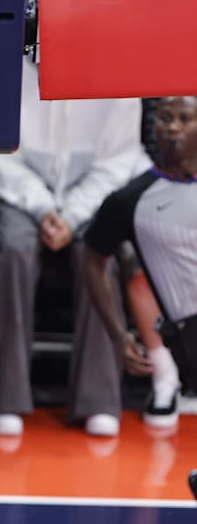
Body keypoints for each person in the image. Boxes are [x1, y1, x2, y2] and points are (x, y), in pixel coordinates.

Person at [0, 57, 143, 438]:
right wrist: (43, 208)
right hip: (21, 195)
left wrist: (71, 217)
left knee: (99, 257)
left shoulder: (118, 77)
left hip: (90, 197)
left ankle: (99, 400)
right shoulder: (6, 67)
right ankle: (4, 397)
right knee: (15, 251)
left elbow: (116, 164)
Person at [82, 96, 197, 430]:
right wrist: (119, 335)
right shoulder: (130, 200)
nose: (172, 127)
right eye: (165, 118)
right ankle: (165, 380)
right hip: (186, 333)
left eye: (185, 119)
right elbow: (93, 260)